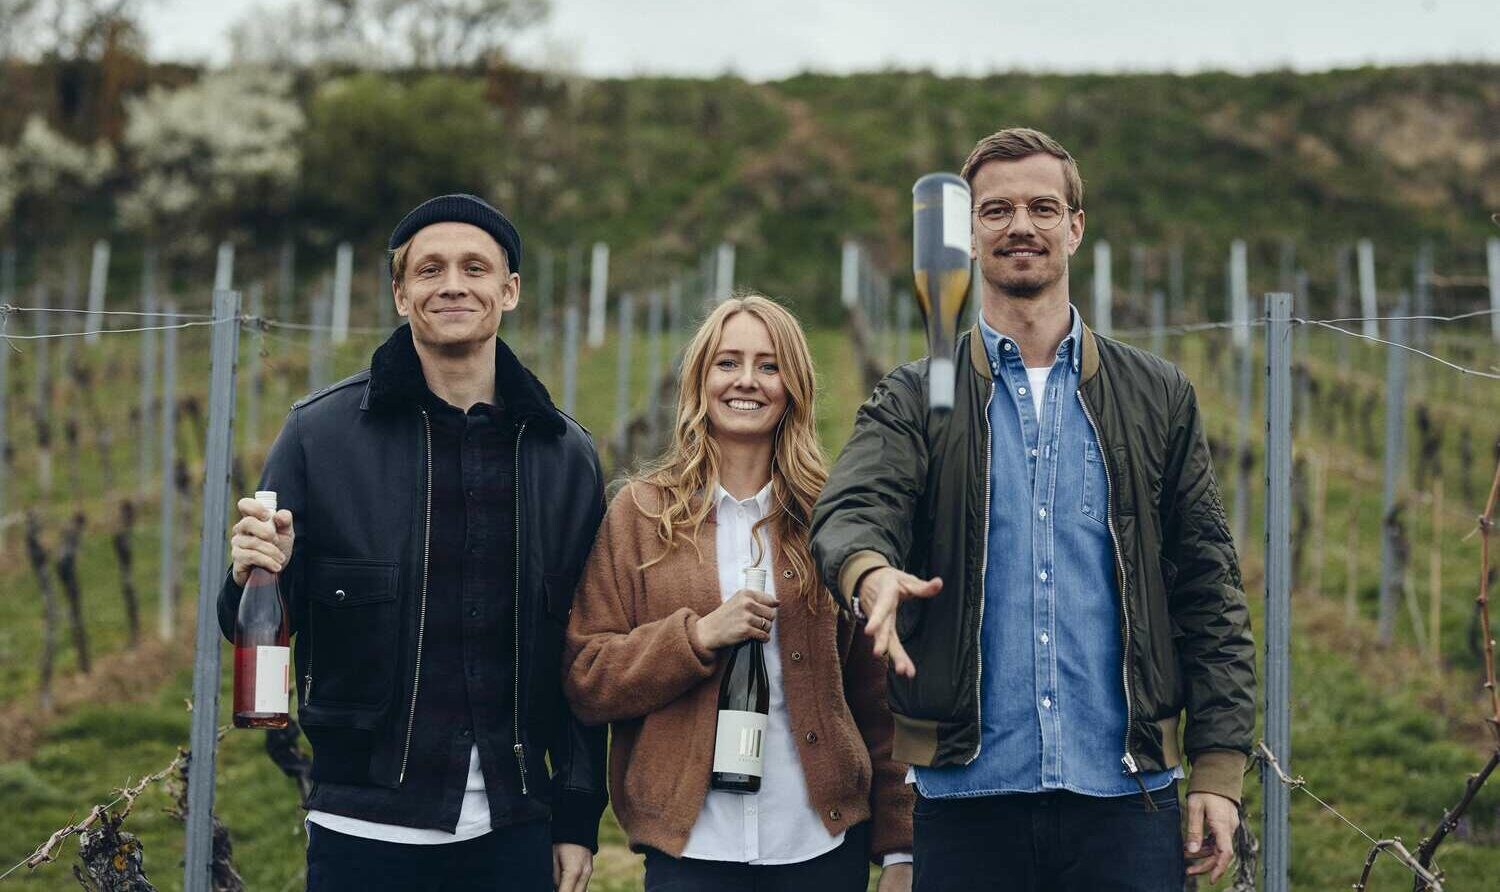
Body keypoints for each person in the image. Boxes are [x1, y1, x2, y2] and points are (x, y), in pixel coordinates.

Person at [810, 128, 1256, 890]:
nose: (1022, 225)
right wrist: (870, 570)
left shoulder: (1158, 396)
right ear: (970, 234)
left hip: (1128, 796)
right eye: (997, 210)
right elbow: (855, 506)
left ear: (1076, 227)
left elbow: (1207, 588)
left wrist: (1217, 767)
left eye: (1044, 207)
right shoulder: (920, 394)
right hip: (967, 793)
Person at [219, 193, 607, 892]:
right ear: (400, 293)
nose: (453, 284)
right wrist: (248, 569)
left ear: (508, 290)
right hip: (361, 828)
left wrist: (577, 816)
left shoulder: (564, 455)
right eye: (429, 270)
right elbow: (254, 617)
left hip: (514, 827)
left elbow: (585, 647)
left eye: (474, 268)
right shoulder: (318, 435)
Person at [563, 294, 914, 891]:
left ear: (793, 385)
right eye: (727, 363)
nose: (747, 381)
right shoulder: (641, 514)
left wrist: (901, 849)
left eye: (769, 365)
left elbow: (878, 693)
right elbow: (587, 675)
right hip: (691, 848)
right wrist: (696, 637)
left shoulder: (831, 518)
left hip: (819, 844)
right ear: (700, 380)